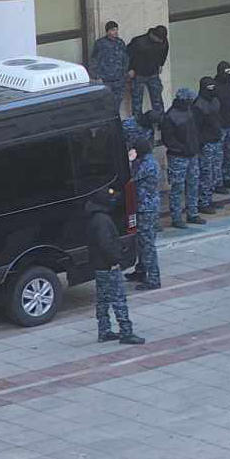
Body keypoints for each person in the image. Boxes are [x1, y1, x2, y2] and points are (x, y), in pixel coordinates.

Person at [86, 187, 142, 345]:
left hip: (99, 266)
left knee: (103, 300)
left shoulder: (94, 218)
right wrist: (116, 260)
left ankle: (104, 331)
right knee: (118, 299)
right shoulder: (103, 221)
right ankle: (126, 332)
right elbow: (107, 245)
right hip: (108, 266)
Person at [160, 86, 204, 228]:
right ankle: (176, 217)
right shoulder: (170, 116)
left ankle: (193, 213)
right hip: (178, 157)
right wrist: (182, 149)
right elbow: (168, 140)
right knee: (177, 188)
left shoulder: (190, 111)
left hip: (192, 155)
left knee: (193, 185)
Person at [126, 137, 162, 290]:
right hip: (146, 207)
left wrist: (130, 160)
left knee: (147, 244)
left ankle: (153, 279)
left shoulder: (147, 164)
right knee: (141, 242)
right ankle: (141, 271)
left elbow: (132, 176)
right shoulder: (147, 161)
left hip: (146, 209)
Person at [191, 76, 223, 215]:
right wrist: (200, 144)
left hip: (216, 140)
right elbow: (196, 128)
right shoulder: (198, 105)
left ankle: (209, 198)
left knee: (214, 173)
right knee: (205, 174)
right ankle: (203, 202)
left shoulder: (215, 101)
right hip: (206, 144)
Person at [126, 24, 169, 116]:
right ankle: (138, 124)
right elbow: (127, 56)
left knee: (157, 100)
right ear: (153, 36)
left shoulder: (163, 42)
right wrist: (130, 69)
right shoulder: (138, 42)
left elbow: (165, 51)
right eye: (159, 39)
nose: (160, 41)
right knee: (137, 103)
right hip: (138, 74)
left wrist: (161, 64)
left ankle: (160, 121)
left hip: (153, 73)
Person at [210, 60, 230, 192]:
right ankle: (217, 182)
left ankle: (227, 177)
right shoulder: (213, 86)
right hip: (219, 126)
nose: (229, 76)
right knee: (218, 155)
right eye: (227, 73)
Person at [90, 21, 129, 110]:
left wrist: (125, 73)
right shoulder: (100, 44)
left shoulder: (120, 43)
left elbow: (125, 59)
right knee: (106, 105)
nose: (115, 32)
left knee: (117, 104)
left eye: (116, 30)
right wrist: (96, 76)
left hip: (119, 80)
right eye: (112, 30)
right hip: (106, 80)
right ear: (107, 31)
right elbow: (94, 61)